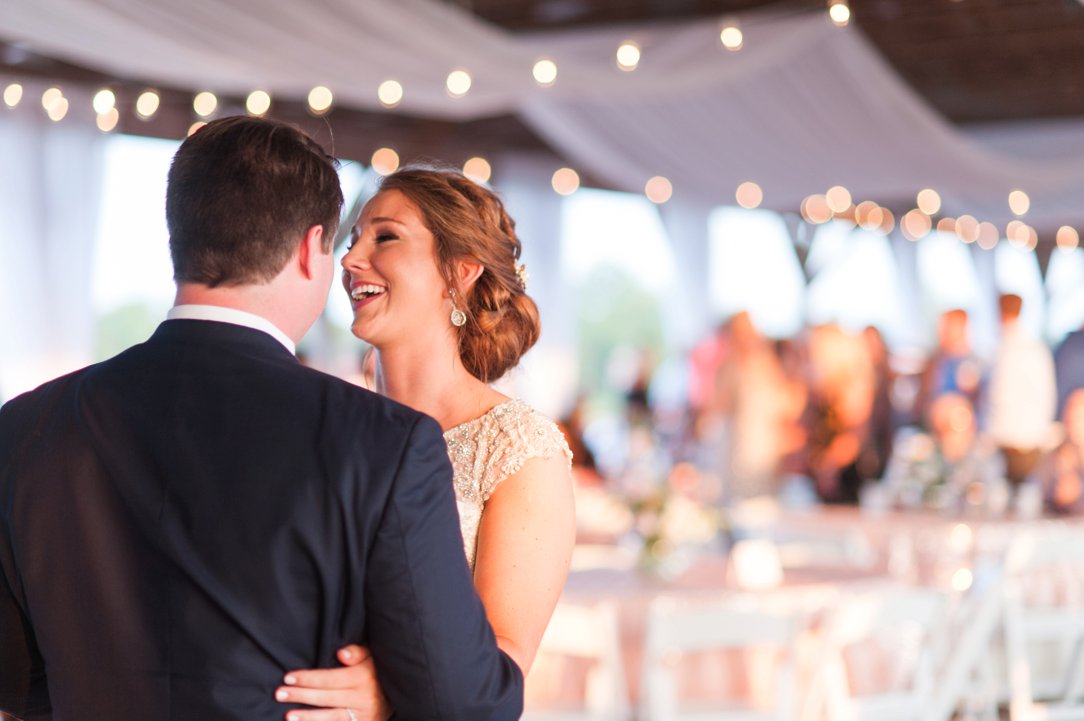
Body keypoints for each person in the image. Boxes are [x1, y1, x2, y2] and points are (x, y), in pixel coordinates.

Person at [0, 118, 523, 720]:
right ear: (309, 248)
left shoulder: (27, 426)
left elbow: (16, 678)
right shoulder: (381, 442)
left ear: (182, 236)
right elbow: (465, 704)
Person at [278, 166, 575, 719]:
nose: (349, 259)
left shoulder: (518, 449)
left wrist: (389, 693)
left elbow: (502, 659)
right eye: (354, 238)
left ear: (459, 273)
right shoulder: (328, 424)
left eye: (384, 236)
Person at [986, 293, 1056, 485]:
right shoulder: (1033, 349)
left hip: (1014, 439)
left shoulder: (1007, 351)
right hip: (1024, 438)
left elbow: (998, 397)